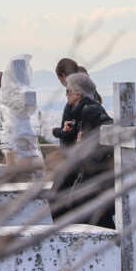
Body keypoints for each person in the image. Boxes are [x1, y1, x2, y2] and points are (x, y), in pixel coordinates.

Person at [51, 71, 115, 229]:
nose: (66, 95)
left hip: (90, 169)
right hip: (80, 166)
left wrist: (86, 142)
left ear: (77, 93)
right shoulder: (79, 109)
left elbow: (109, 130)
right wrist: (67, 132)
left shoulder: (90, 109)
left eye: (68, 91)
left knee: (88, 209)